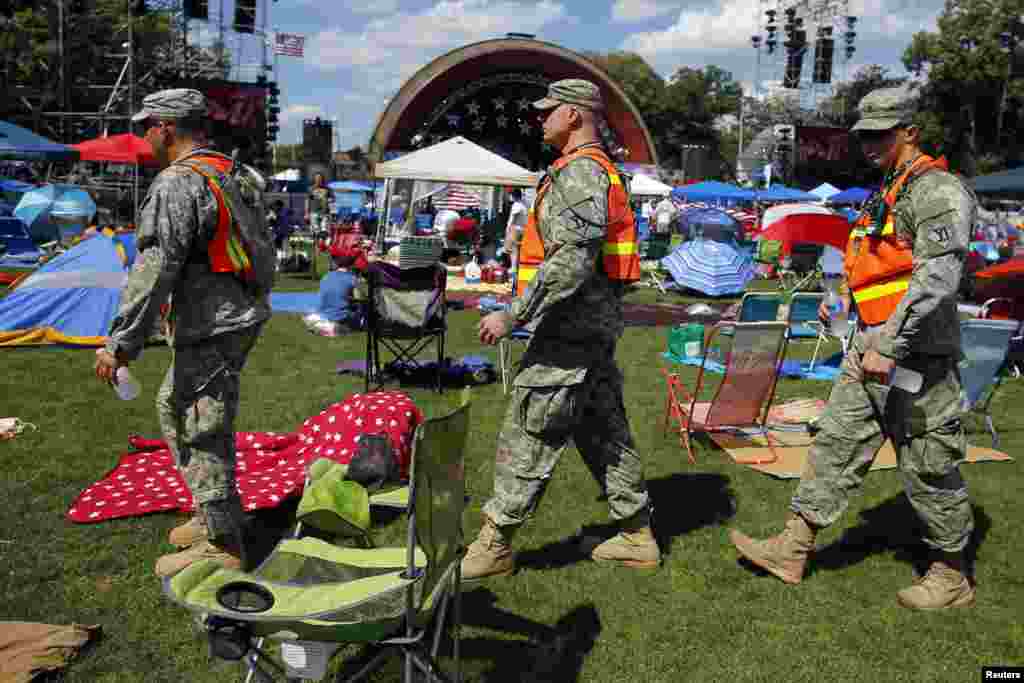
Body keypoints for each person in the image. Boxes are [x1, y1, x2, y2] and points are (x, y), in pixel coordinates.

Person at [729, 83, 978, 610]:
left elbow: (937, 278)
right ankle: (791, 549)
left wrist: (888, 343)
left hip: (915, 356)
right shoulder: (886, 188)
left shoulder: (938, 191)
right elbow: (871, 261)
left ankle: (951, 573)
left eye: (881, 135)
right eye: (863, 135)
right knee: (835, 444)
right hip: (868, 346)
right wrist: (839, 300)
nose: (868, 144)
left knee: (929, 463)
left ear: (910, 132)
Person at [464, 79, 658, 581]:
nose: (540, 118)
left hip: (567, 330)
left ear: (575, 115)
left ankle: (495, 543)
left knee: (530, 428)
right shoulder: (593, 170)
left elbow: (570, 261)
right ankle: (636, 535)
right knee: (603, 430)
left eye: (549, 111)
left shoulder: (579, 174)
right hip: (586, 327)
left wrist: (514, 314)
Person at [93, 89, 271, 578]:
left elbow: (156, 267)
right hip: (238, 312)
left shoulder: (177, 182)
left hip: (213, 321)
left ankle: (223, 544)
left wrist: (121, 342)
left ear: (168, 127)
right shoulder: (227, 171)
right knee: (178, 406)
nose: (144, 134)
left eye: (147, 124)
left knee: (198, 423)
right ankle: (216, 511)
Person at [303, 251, 363, 336]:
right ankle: (337, 328)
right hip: (342, 316)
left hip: (324, 314)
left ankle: (324, 325)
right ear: (351, 265)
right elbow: (358, 300)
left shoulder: (326, 276)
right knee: (362, 310)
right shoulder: (352, 279)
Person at [504, 188, 528, 272]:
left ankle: (513, 267)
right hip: (523, 229)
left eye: (510, 194)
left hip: (516, 228)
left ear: (514, 196)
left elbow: (512, 217)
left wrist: (507, 228)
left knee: (512, 249)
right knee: (518, 249)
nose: (509, 196)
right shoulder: (524, 204)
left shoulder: (516, 205)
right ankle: (516, 267)